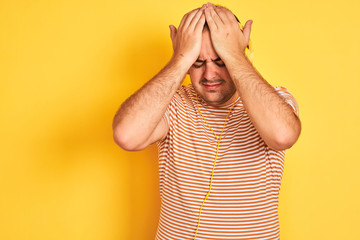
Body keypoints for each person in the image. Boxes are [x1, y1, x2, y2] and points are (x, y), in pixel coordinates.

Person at [112, 2, 301, 240]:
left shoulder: (275, 99)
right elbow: (126, 135)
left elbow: (283, 135)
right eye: (197, 63)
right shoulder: (171, 103)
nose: (209, 74)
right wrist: (179, 59)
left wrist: (234, 53)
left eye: (220, 60)